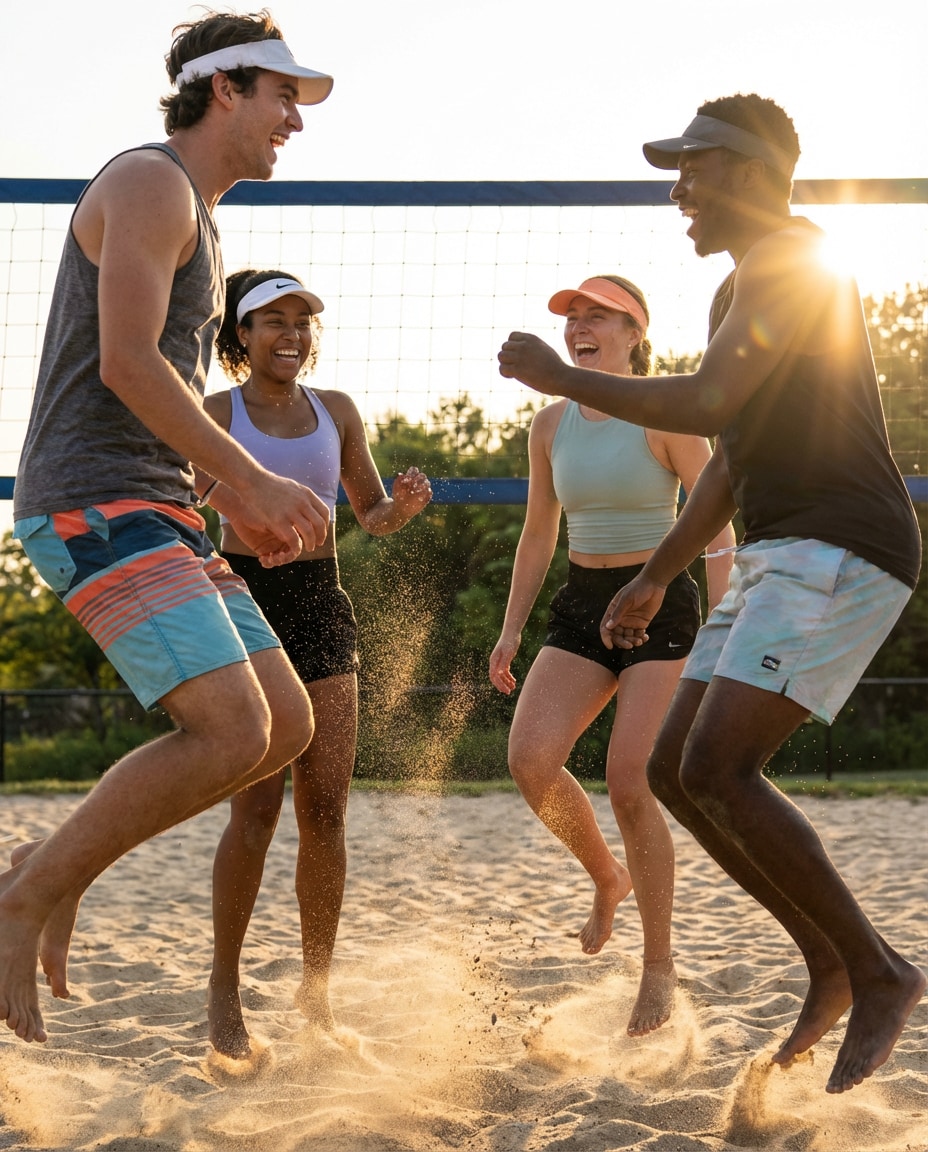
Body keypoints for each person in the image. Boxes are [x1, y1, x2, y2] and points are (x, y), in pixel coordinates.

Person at [497, 94, 925, 1093]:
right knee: (681, 774)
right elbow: (731, 456)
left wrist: (561, 374)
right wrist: (656, 572)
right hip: (786, 545)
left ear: (741, 170)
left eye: (690, 171)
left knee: (721, 769)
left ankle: (878, 970)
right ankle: (827, 965)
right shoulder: (745, 284)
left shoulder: (789, 262)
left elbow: (705, 404)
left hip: (841, 545)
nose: (679, 193)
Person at [2, 11, 335, 1046]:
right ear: (224, 89)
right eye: (282, 95)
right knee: (234, 730)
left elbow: (164, 390)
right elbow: (126, 365)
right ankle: (21, 900)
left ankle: (38, 875)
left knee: (285, 724)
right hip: (91, 501)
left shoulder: (196, 208)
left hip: (155, 501)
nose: (294, 119)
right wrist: (249, 481)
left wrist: (226, 494)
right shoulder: (149, 183)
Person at [489, 275, 734, 1036]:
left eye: (599, 316)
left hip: (661, 604)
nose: (579, 326)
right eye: (572, 317)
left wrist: (724, 622)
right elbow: (538, 535)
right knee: (530, 760)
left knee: (632, 780)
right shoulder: (548, 425)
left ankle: (657, 969)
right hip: (582, 603)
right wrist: (510, 630)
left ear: (635, 334)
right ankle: (608, 877)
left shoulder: (667, 417)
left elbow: (721, 519)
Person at [205, 269, 432, 1058]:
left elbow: (367, 513)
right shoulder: (215, 413)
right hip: (246, 597)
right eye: (273, 320)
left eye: (302, 320)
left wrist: (395, 510)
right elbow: (181, 505)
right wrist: (217, 544)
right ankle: (224, 991)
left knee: (326, 810)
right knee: (256, 812)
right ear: (240, 334)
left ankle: (316, 996)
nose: (291, 334)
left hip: (321, 601)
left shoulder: (335, 411)